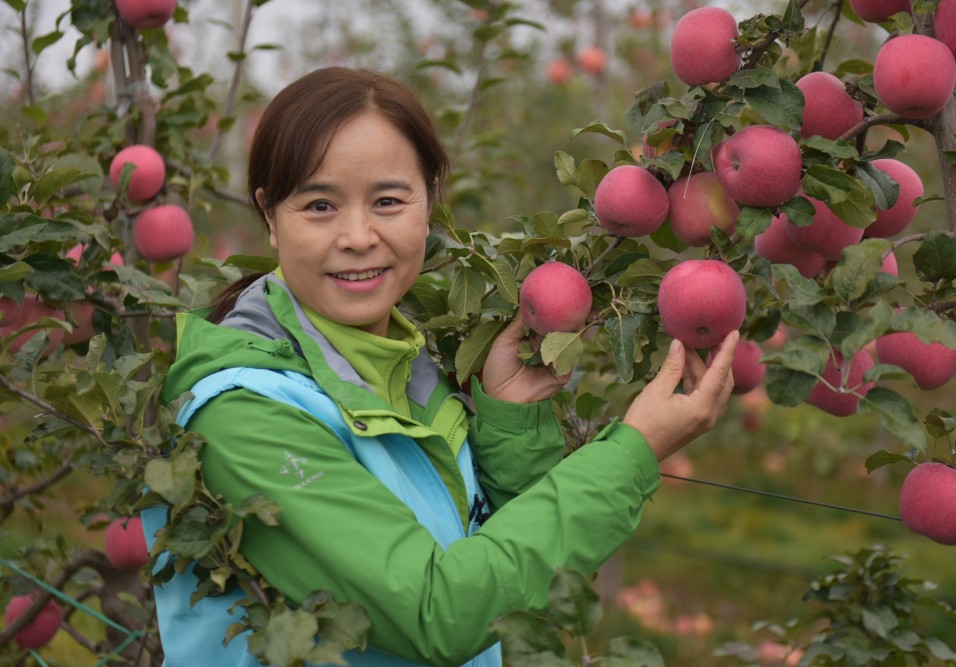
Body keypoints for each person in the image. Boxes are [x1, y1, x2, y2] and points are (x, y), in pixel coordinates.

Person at [141, 66, 738, 666]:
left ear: (430, 204)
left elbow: (504, 571)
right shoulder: (244, 414)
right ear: (270, 217)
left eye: (389, 201)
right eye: (319, 205)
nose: (357, 235)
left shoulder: (409, 368)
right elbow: (438, 611)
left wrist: (508, 421)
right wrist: (634, 450)